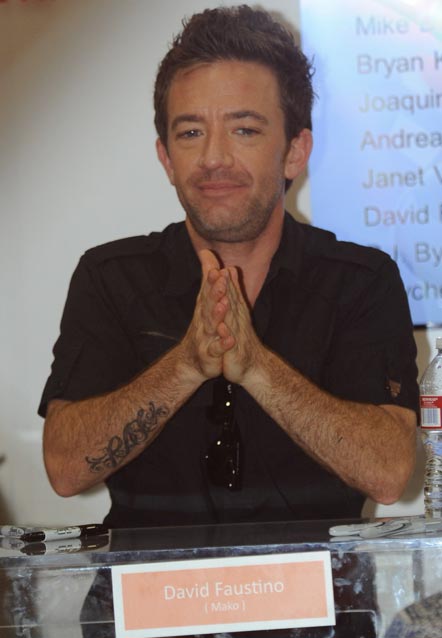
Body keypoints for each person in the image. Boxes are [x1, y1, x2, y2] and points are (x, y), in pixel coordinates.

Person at [39, 4, 419, 531]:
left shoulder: (360, 281)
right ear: (166, 159)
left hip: (318, 584)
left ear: (295, 152)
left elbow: (389, 474)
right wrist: (185, 365)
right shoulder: (110, 277)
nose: (214, 158)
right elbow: (64, 469)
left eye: (244, 129)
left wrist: (257, 367)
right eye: (191, 133)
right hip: (142, 583)